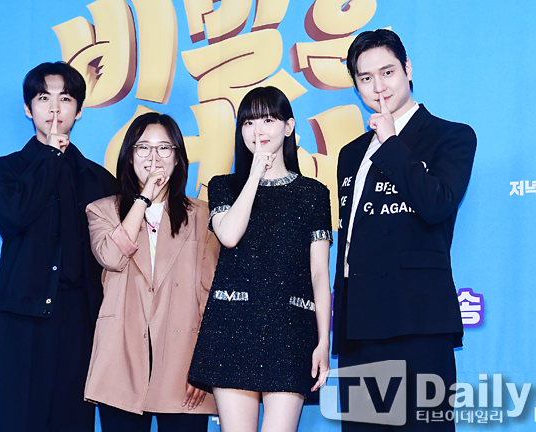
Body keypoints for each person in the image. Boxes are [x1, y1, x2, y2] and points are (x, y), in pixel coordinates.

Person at [333, 29, 477, 431]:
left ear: (408, 70)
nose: (378, 86)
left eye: (388, 72)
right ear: (356, 85)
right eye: (365, 78)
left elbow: (437, 205)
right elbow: (349, 241)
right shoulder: (350, 154)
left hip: (418, 321)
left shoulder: (452, 136)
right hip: (360, 329)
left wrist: (392, 142)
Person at [0, 61, 118, 432]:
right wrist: (51, 156)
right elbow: (17, 215)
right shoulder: (1, 173)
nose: (55, 108)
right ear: (28, 109)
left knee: (73, 421)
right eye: (43, 98)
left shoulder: (101, 181)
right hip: (22, 319)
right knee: (19, 420)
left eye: (65, 98)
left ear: (79, 110)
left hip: (81, 322)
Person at [188, 86, 333, 432]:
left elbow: (319, 274)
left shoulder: (313, 194)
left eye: (268, 120)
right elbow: (229, 235)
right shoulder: (223, 186)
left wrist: (323, 341)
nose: (258, 130)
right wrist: (254, 175)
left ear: (289, 126)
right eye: (249, 122)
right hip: (232, 328)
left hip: (290, 330)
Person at [83, 112, 220, 431]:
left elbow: (210, 295)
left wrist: (204, 365)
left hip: (183, 363)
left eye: (164, 148)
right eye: (143, 147)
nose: (154, 157)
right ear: (130, 156)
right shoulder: (102, 211)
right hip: (121, 359)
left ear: (178, 158)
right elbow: (113, 256)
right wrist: (143, 198)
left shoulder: (203, 216)